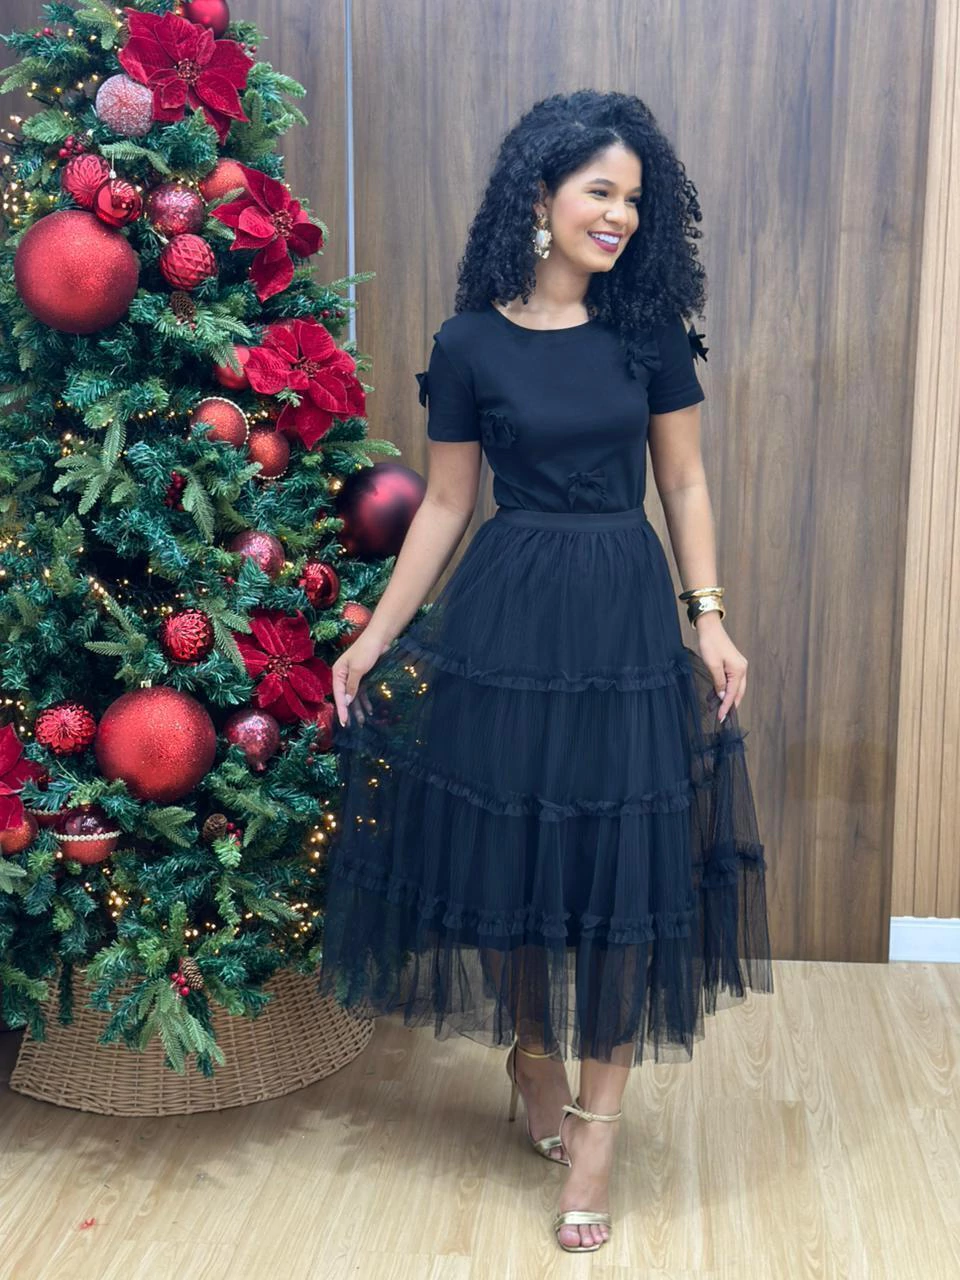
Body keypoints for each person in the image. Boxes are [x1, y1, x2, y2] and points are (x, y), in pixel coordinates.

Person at [318, 89, 773, 1255]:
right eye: (599, 192)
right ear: (541, 196)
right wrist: (372, 635)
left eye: (634, 198)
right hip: (509, 613)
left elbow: (683, 481)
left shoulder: (650, 333)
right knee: (515, 848)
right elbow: (447, 502)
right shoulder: (469, 342)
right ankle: (531, 1050)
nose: (619, 215)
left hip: (621, 612)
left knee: (625, 867)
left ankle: (598, 1134)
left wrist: (710, 618)